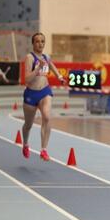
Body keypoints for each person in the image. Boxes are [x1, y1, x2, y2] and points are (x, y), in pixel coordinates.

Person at [21, 32, 66, 161]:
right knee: (28, 125)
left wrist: (60, 77)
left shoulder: (46, 56)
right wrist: (37, 68)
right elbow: (27, 79)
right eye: (37, 41)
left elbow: (52, 66)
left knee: (46, 116)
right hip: (31, 94)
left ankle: (44, 150)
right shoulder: (30, 58)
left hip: (44, 91)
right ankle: (25, 144)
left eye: (42, 41)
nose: (40, 44)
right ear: (33, 43)